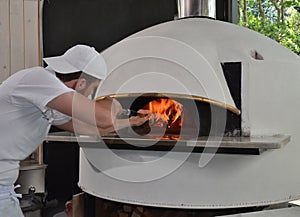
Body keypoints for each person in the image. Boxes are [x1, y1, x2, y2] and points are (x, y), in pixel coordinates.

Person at [0, 44, 151, 217]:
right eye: (93, 89)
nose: (90, 96)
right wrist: (113, 101)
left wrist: (132, 121)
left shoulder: (49, 97)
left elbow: (92, 128)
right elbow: (103, 119)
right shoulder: (40, 79)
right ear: (81, 83)